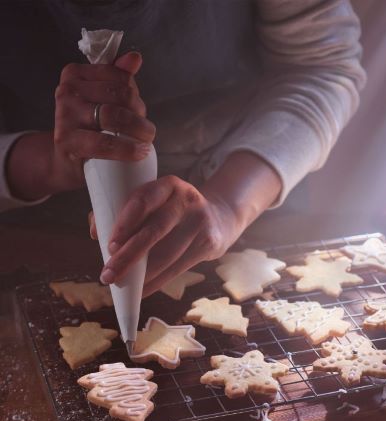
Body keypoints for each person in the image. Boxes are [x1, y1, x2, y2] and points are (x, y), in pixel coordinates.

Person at [0, 0, 365, 295]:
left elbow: (321, 69)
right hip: (39, 241)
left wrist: (226, 205)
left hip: (253, 213)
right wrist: (48, 163)